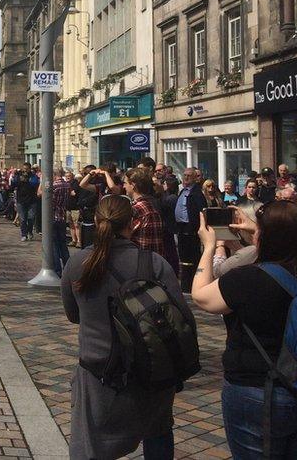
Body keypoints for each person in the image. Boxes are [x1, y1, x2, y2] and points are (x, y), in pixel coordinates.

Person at [191, 200, 297, 457]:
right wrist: (256, 229)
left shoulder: (248, 278)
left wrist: (209, 247)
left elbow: (202, 296)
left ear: (266, 238)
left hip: (258, 390)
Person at [61, 194, 189, 460]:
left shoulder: (77, 264)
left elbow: (73, 315)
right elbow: (182, 317)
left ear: (96, 222)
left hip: (100, 372)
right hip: (153, 369)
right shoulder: (154, 263)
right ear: (133, 224)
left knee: (91, 445)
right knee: (158, 432)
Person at [125, 168, 179, 275]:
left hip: (142, 266)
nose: (124, 186)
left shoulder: (138, 209)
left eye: (125, 183)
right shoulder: (151, 203)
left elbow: (125, 237)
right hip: (153, 263)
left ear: (133, 185)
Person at [173, 166, 206, 292]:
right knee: (183, 258)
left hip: (191, 230)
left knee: (192, 258)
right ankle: (185, 283)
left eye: (188, 176)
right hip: (181, 228)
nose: (185, 178)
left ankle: (192, 284)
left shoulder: (196, 193)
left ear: (194, 178)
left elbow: (201, 212)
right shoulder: (183, 191)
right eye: (184, 175)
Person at [11, 163, 39, 241]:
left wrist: (27, 181)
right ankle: (24, 234)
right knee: (23, 219)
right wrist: (19, 180)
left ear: (30, 169)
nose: (25, 170)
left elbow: (35, 184)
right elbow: (13, 184)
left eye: (27, 169)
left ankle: (30, 231)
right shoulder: (19, 175)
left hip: (32, 200)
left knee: (31, 217)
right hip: (21, 200)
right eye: (24, 168)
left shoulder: (33, 175)